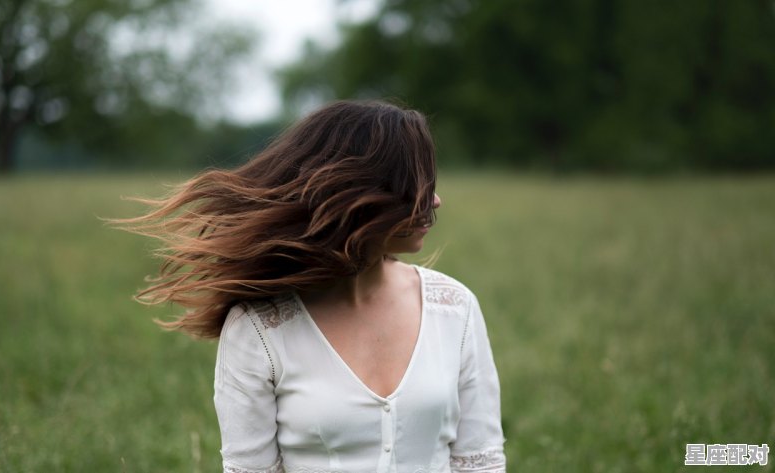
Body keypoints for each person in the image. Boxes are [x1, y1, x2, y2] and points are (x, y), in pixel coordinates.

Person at [118, 100, 506, 472]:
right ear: (360, 195)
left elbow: (482, 461)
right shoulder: (259, 329)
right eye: (415, 185)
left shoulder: (454, 308)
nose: (434, 200)